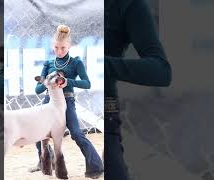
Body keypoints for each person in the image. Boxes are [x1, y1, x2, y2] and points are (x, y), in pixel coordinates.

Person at [105, 0, 172, 179]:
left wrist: (103, 65)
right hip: (63, 102)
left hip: (105, 114)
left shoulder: (128, 4)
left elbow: (162, 71)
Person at [29, 24, 104, 178]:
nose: (59, 51)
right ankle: (44, 160)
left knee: (77, 134)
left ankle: (96, 167)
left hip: (67, 102)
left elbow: (87, 83)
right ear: (52, 46)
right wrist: (47, 82)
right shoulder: (48, 64)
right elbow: (37, 90)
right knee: (37, 132)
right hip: (48, 102)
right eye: (56, 47)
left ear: (69, 45)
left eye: (63, 47)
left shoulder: (76, 62)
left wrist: (67, 81)